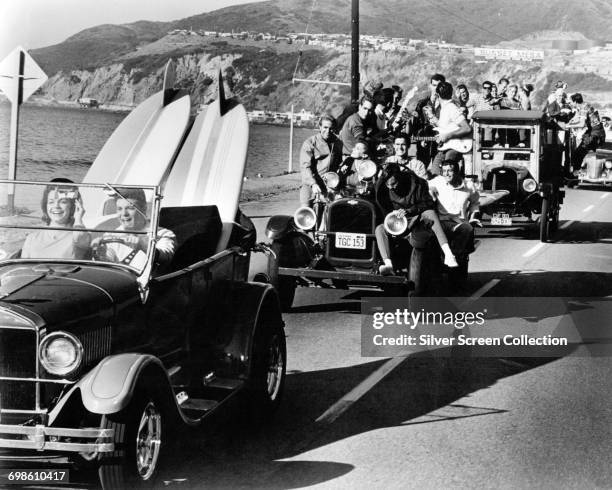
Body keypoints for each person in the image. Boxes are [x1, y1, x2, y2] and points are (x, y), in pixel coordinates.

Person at [96, 188, 176, 268]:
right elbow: (106, 265)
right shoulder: (110, 235)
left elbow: (165, 257)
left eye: (130, 208)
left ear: (144, 209)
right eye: (119, 209)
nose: (124, 214)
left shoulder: (162, 234)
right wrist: (99, 253)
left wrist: (143, 245)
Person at [22, 179, 90, 259]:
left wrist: (78, 218)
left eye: (63, 202)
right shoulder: (32, 238)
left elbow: (81, 239)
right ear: (46, 205)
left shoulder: (78, 236)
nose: (56, 206)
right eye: (51, 202)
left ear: (73, 206)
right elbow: (23, 268)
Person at [428, 154, 480, 261]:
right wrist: (431, 190)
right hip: (442, 222)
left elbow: (475, 202)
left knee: (468, 229)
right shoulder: (438, 181)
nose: (446, 174)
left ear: (456, 172)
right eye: (444, 171)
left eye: (450, 171)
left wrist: (473, 216)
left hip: (459, 223)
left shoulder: (468, 186)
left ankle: (457, 256)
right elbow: (426, 186)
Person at [428, 81, 472, 177]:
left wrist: (448, 135)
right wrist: (433, 118)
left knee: (447, 174)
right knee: (435, 174)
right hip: (446, 147)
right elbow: (446, 127)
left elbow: (467, 128)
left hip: (455, 147)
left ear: (437, 94)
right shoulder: (445, 108)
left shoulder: (452, 108)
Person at [299, 114, 343, 207]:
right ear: (320, 127)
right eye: (325, 127)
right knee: (305, 211)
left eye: (331, 128)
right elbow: (305, 167)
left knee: (338, 208)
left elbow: (341, 162)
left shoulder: (337, 143)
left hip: (330, 184)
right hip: (311, 183)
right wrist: (313, 184)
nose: (328, 131)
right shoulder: (310, 143)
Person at [566, 93, 606, 172]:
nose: (569, 104)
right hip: (594, 131)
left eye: (570, 102)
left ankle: (576, 173)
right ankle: (579, 171)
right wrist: (569, 122)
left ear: (575, 102)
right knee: (580, 153)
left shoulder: (584, 108)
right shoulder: (582, 106)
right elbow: (576, 118)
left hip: (595, 133)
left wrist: (568, 126)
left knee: (578, 153)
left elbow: (581, 123)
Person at [411, 73, 445, 165]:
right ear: (430, 86)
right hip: (423, 143)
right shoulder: (421, 104)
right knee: (421, 171)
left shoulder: (446, 105)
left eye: (439, 86)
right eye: (434, 85)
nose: (436, 88)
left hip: (440, 144)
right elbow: (416, 126)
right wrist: (421, 138)